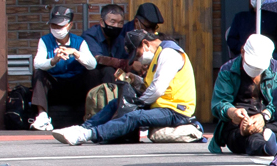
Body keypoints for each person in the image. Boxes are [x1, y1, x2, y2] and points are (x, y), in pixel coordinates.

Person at [51, 29, 201, 145]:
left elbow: (157, 89)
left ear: (146, 43)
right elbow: (151, 86)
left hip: (175, 111)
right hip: (162, 106)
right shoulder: (159, 55)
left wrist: (138, 103)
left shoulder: (169, 53)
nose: (139, 59)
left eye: (137, 54)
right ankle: (83, 128)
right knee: (117, 103)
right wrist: (135, 80)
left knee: (134, 115)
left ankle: (88, 135)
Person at [209, 34, 277, 156]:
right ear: (242, 52)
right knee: (247, 138)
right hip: (237, 125)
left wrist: (265, 116)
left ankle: (271, 144)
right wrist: (232, 112)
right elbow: (218, 103)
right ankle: (266, 147)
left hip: (270, 119)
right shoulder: (227, 71)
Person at [30, 6, 99, 125]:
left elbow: (93, 64)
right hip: (55, 86)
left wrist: (75, 53)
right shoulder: (44, 41)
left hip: (75, 86)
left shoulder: (79, 41)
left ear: (70, 25)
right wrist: (54, 60)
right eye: (54, 26)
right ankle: (42, 116)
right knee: (38, 72)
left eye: (60, 26)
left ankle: (93, 114)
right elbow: (37, 63)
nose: (57, 29)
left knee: (93, 73)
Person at [225, 0, 277, 64]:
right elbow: (231, 39)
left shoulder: (274, 17)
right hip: (245, 53)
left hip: (269, 54)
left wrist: (268, 49)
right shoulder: (240, 17)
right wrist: (242, 47)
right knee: (231, 66)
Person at [84, 4, 131, 71]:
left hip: (114, 74)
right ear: (102, 22)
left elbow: (126, 57)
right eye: (113, 22)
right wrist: (125, 64)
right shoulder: (90, 36)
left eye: (120, 23)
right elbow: (98, 59)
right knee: (107, 70)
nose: (116, 26)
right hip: (93, 74)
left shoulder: (120, 39)